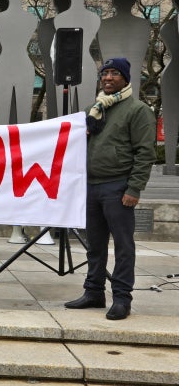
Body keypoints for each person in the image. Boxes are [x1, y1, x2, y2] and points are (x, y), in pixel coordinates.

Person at [65, 57, 155, 320]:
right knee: (95, 244)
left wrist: (134, 188)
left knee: (124, 246)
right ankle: (93, 292)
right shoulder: (94, 109)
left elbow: (145, 152)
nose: (108, 78)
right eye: (105, 73)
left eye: (115, 73)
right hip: (91, 187)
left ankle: (122, 298)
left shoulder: (137, 110)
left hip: (118, 187)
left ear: (126, 79)